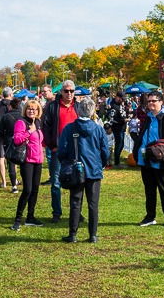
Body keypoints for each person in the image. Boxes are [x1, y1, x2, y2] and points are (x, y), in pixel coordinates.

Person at [57, 98, 109, 243]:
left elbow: (62, 151)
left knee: (75, 202)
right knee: (93, 204)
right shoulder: (98, 129)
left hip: (76, 169)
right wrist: (101, 164)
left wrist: (67, 163)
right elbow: (105, 151)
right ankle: (93, 234)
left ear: (78, 110)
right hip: (94, 169)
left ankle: (72, 234)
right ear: (93, 112)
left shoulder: (69, 128)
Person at [133, 90, 164, 229]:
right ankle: (150, 216)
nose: (151, 103)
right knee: (149, 190)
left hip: (161, 161)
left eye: (154, 101)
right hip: (146, 160)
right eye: (149, 101)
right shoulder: (148, 117)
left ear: (161, 102)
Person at [42, 80, 79, 223]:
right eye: (66, 91)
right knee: (56, 182)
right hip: (58, 150)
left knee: (77, 182)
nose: (69, 93)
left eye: (71, 91)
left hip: (76, 152)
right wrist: (52, 146)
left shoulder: (79, 106)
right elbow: (46, 126)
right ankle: (56, 212)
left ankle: (76, 211)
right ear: (61, 92)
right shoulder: (53, 106)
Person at [11, 99, 45, 231]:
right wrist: (29, 132)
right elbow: (17, 139)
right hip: (27, 160)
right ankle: (18, 219)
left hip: (38, 160)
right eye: (30, 108)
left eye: (34, 109)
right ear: (25, 109)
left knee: (35, 189)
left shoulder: (38, 122)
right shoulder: (21, 122)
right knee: (27, 190)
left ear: (38, 111)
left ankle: (30, 217)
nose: (32, 111)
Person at [0, 97, 22, 192]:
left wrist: (5, 136)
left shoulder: (5, 117)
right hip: (21, 140)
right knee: (23, 161)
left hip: (9, 140)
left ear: (10, 106)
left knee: (11, 163)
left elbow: (0, 131)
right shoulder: (22, 116)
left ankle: (14, 186)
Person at [0, 87, 14, 189]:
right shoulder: (13, 105)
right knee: (13, 157)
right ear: (10, 95)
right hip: (10, 133)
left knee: (1, 157)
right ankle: (14, 179)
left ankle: (3, 181)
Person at [107, 93, 129, 166]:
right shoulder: (113, 106)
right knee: (119, 144)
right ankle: (117, 162)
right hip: (117, 127)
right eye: (122, 99)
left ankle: (117, 160)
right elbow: (112, 118)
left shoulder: (121, 105)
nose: (123, 101)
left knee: (121, 144)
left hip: (122, 127)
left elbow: (123, 114)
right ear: (117, 98)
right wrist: (122, 121)